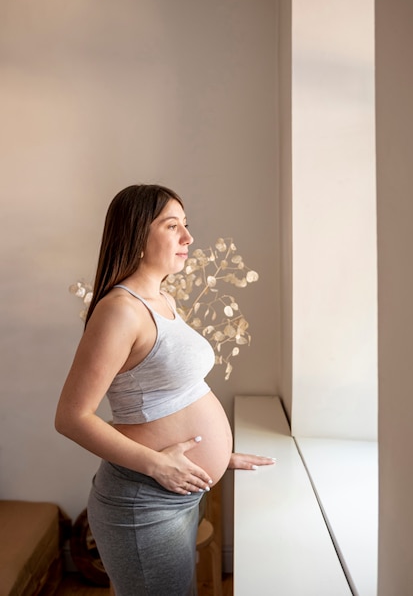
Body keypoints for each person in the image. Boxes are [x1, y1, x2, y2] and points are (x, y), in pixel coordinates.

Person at [55, 184, 275, 596]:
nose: (188, 238)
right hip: (144, 500)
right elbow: (71, 417)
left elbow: (166, 395)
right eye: (173, 226)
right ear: (136, 236)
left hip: (174, 494)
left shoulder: (163, 300)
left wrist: (217, 455)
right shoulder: (120, 311)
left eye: (186, 226)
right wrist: (157, 464)